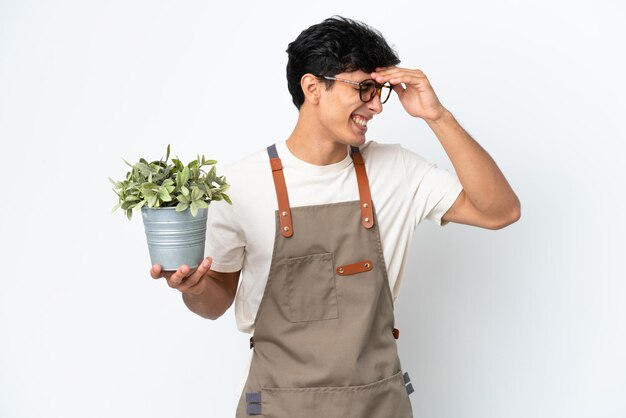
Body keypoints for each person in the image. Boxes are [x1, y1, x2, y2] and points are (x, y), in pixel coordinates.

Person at [150, 15, 520, 418]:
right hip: (279, 406)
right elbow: (214, 301)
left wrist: (437, 116)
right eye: (364, 88)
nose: (377, 106)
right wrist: (193, 288)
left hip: (378, 406)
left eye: (381, 91)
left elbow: (500, 211)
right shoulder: (238, 184)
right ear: (312, 87)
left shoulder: (397, 170)